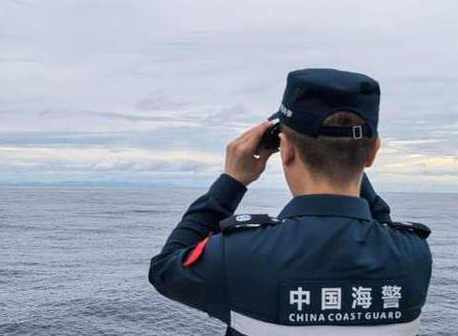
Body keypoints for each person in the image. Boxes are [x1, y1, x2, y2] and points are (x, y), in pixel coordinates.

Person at [148, 68, 432, 336]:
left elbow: (165, 270)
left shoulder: (238, 255)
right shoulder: (414, 255)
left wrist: (232, 181)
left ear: (285, 150)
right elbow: (382, 224)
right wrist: (348, 156)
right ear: (373, 153)